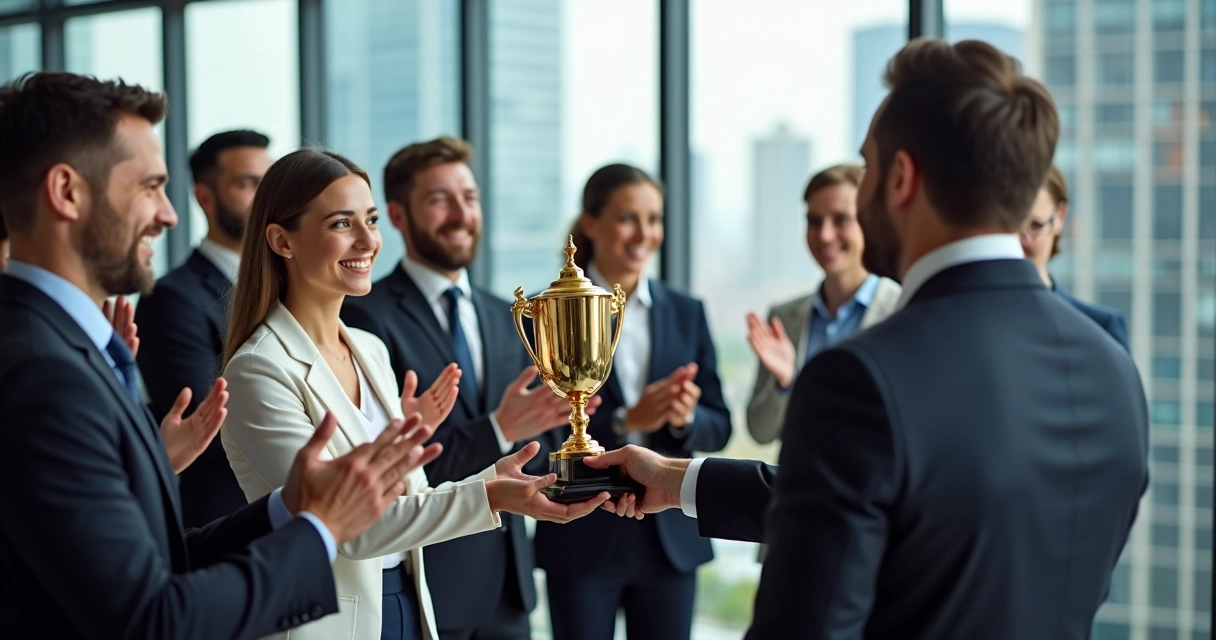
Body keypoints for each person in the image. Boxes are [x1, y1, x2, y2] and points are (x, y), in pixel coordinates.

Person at [591, 38, 1149, 640]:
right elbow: (909, 503)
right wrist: (678, 482)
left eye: (868, 167)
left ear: (901, 178)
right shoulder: (1110, 365)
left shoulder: (865, 375)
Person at [0, 71, 444, 639]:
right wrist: (320, 529)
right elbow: (152, 618)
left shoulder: (60, 348)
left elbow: (150, 561)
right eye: (148, 187)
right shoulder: (44, 372)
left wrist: (289, 509)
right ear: (66, 192)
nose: (169, 214)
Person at [219, 147, 607, 640]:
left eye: (371, 219)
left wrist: (493, 479)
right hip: (326, 622)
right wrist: (491, 496)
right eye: (342, 223)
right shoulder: (259, 369)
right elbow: (348, 527)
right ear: (282, 241)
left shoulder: (369, 350)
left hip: (407, 603)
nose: (368, 241)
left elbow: (413, 498)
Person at [341, 137, 583, 639]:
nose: (460, 213)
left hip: (509, 591)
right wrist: (498, 428)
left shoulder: (508, 315)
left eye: (469, 198)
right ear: (398, 215)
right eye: (439, 200)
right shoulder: (365, 318)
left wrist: (563, 432)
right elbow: (391, 474)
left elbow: (533, 452)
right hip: (431, 584)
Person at [534, 163, 731, 640]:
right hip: (583, 533)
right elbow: (536, 433)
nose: (644, 233)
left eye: (654, 219)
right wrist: (625, 420)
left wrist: (684, 420)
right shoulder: (550, 309)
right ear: (591, 223)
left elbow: (719, 426)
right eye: (628, 217)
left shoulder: (688, 312)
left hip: (668, 538)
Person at [135, 129, 274, 527]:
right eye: (248, 184)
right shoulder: (170, 299)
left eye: (269, 184)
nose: (265, 199)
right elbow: (209, 425)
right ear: (204, 197)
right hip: (227, 525)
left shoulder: (298, 288)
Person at [745, 163, 900, 446]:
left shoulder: (904, 311)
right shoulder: (784, 317)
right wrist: (785, 383)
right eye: (814, 221)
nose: (825, 234)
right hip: (797, 488)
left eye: (841, 219)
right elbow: (760, 432)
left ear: (870, 221)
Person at [1019, 164, 1129, 350]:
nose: (1018, 239)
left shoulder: (1102, 330)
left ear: (1059, 217)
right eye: (1008, 225)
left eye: (1034, 225)